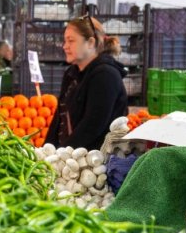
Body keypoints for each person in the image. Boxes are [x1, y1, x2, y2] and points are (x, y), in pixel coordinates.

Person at [44, 16, 126, 150]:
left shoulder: (105, 75)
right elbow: (59, 117)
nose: (65, 46)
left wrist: (61, 154)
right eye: (65, 41)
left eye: (71, 41)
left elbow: (92, 126)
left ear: (90, 43)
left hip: (95, 162)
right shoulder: (71, 73)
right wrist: (46, 151)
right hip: (70, 157)